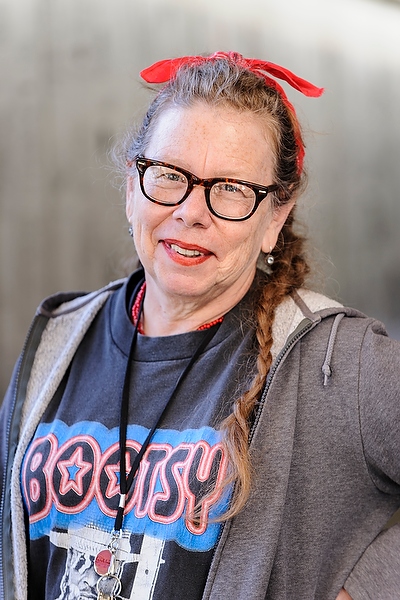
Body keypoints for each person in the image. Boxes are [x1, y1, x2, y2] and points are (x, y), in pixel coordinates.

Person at [0, 51, 399, 600]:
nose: (191, 211)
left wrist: (370, 584)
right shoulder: (57, 340)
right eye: (169, 176)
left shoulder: (338, 361)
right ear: (131, 187)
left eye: (231, 188)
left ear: (274, 219)